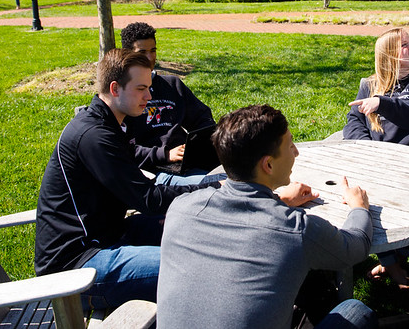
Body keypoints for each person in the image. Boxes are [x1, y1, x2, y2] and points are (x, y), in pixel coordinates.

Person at [157, 104, 377, 329]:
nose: (296, 151)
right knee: (355, 311)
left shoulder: (180, 209)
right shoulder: (295, 229)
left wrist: (278, 200)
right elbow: (356, 246)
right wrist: (359, 207)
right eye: (291, 144)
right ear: (268, 165)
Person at [34, 49, 222, 311]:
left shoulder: (112, 125)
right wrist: (212, 189)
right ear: (115, 88)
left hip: (111, 235)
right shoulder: (93, 136)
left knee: (197, 226)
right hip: (76, 267)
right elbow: (147, 199)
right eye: (141, 88)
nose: (149, 96)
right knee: (194, 266)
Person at [342, 27, 409, 286]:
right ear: (389, 55)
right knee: (363, 201)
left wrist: (383, 103)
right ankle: (392, 263)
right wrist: (369, 149)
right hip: (381, 163)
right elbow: (353, 122)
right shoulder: (369, 85)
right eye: (404, 45)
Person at [121, 22, 220, 186]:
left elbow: (202, 119)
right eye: (142, 52)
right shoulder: (124, 95)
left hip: (186, 163)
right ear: (127, 54)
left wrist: (198, 145)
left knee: (246, 176)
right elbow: (123, 150)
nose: (150, 58)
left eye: (153, 51)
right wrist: (165, 154)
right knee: (221, 185)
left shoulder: (172, 85)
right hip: (154, 171)